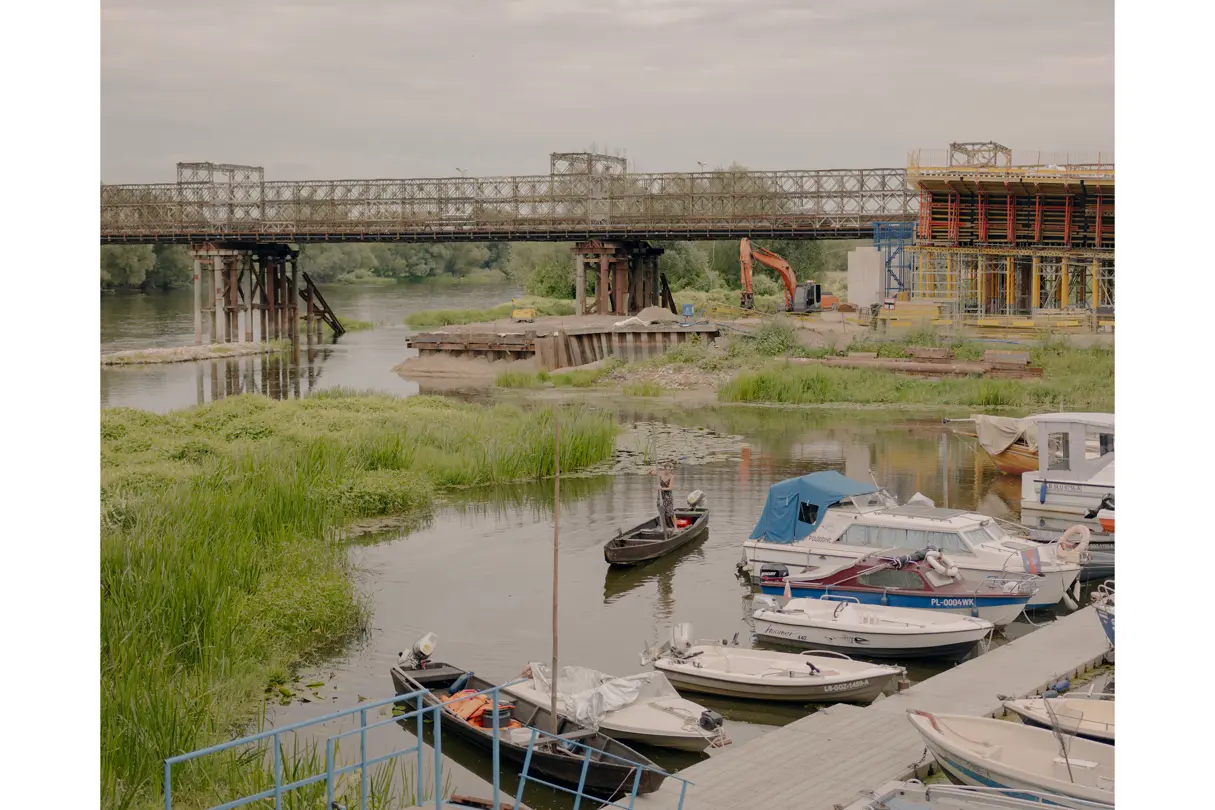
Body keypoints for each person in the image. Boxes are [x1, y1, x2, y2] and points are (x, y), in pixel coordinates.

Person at [649, 462, 675, 528]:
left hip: (668, 496)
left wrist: (661, 488)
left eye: (669, 470)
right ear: (664, 469)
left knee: (670, 512)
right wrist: (655, 468)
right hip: (661, 495)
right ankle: (664, 526)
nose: (667, 471)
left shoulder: (671, 476)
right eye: (666, 469)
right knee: (661, 510)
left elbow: (670, 488)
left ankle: (675, 527)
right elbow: (649, 473)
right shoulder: (660, 474)